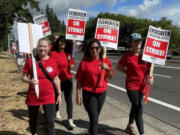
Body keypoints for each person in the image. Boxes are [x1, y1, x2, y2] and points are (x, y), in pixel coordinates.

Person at [22, 38, 61, 135]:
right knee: (33, 120)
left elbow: (56, 79)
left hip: (49, 96)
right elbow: (23, 77)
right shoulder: (31, 61)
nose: (42, 48)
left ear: (48, 48)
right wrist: (30, 81)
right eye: (40, 46)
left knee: (50, 122)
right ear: (37, 47)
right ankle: (34, 133)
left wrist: (59, 93)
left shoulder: (52, 61)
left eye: (45, 46)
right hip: (33, 95)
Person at [116, 33, 154, 135]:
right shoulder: (127, 56)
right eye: (135, 41)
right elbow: (118, 67)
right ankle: (142, 133)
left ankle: (130, 125)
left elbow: (150, 69)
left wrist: (151, 77)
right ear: (131, 43)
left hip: (142, 86)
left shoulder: (146, 56)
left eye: (139, 41)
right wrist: (126, 72)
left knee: (135, 105)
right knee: (138, 106)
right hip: (131, 85)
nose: (138, 43)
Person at [76, 39, 114, 135]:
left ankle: (91, 131)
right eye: (92, 48)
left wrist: (108, 68)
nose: (94, 50)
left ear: (100, 49)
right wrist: (78, 95)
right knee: (94, 118)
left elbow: (110, 76)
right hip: (89, 93)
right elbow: (79, 79)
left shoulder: (105, 60)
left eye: (96, 48)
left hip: (101, 93)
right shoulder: (85, 61)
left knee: (95, 118)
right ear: (89, 50)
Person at [50, 36, 76, 129]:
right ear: (57, 43)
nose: (62, 43)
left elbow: (72, 63)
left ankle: (70, 120)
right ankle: (56, 112)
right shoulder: (53, 53)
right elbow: (50, 65)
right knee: (56, 98)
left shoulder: (68, 54)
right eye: (60, 42)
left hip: (68, 80)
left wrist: (71, 65)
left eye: (64, 42)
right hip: (57, 81)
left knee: (69, 100)